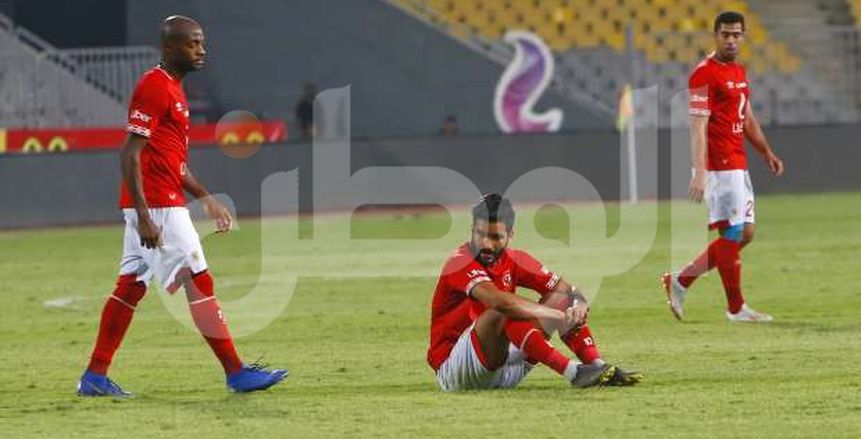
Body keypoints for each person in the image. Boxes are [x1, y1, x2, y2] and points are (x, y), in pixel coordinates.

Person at [77, 15, 287, 397]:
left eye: (202, 42)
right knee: (198, 279)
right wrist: (144, 216)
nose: (201, 50)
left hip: (159, 201)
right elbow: (129, 153)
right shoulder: (154, 87)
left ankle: (94, 376)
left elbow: (173, 161)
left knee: (130, 287)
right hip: (156, 204)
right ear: (170, 48)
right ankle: (236, 372)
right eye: (192, 43)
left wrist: (205, 197)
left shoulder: (172, 88)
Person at [428, 194, 642, 391]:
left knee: (563, 300)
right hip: (457, 371)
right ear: (472, 230)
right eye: (480, 234)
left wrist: (579, 303)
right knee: (504, 308)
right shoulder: (460, 261)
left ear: (510, 235)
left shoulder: (515, 259)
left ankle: (600, 368)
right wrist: (557, 316)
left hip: (504, 368)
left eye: (495, 237)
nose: (486, 244)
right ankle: (574, 372)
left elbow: (568, 290)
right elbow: (500, 303)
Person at [662, 11, 785, 323]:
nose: (731, 40)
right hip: (718, 165)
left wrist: (765, 151)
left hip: (738, 161)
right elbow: (698, 126)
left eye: (736, 34)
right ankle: (736, 308)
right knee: (732, 232)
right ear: (715, 35)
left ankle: (680, 280)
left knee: (746, 233)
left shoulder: (739, 72)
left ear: (743, 36)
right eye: (725, 34)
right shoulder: (703, 75)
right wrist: (700, 171)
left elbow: (747, 118)